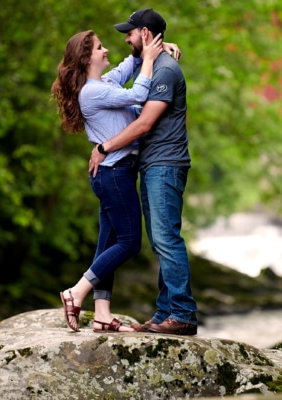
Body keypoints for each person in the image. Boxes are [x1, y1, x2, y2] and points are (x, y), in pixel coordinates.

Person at [52, 29, 180, 333]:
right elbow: (138, 94)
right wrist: (150, 59)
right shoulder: (92, 91)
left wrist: (153, 49)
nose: (106, 50)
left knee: (108, 243)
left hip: (112, 173)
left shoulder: (104, 82)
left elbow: (131, 64)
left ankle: (102, 314)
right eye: (99, 48)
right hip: (115, 173)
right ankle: (76, 292)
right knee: (129, 242)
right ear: (86, 58)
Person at [89, 9, 198, 335]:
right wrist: (164, 46)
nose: (125, 39)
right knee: (160, 240)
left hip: (166, 164)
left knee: (166, 239)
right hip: (153, 165)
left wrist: (103, 148)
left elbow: (144, 123)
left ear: (145, 34)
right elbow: (131, 67)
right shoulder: (153, 63)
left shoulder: (165, 71)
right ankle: (166, 312)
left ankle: (182, 314)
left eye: (130, 33)